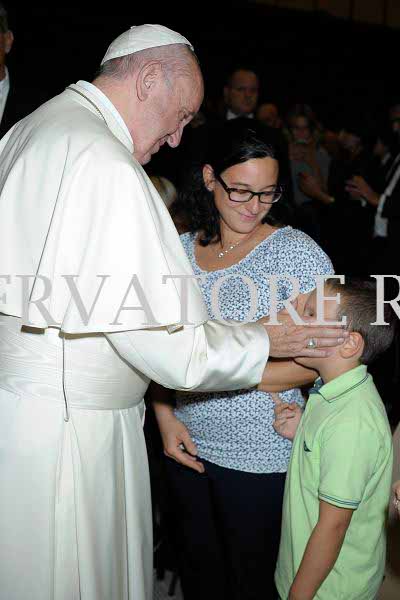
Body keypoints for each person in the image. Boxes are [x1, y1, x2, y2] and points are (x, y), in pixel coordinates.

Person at [0, 24, 345, 600]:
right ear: (148, 79)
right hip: (70, 429)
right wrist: (266, 338)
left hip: (26, 416)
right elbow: (172, 347)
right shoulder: (102, 162)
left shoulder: (28, 132)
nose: (179, 137)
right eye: (180, 114)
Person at [152, 119, 335, 600]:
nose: (253, 207)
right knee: (200, 574)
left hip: (262, 453)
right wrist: (165, 414)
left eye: (267, 194)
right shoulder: (178, 250)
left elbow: (322, 360)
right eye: (240, 191)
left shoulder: (296, 255)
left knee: (251, 583)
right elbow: (156, 344)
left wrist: (228, 377)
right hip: (187, 444)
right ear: (210, 177)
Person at [274, 278, 395, 600]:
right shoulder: (332, 391)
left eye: (310, 314)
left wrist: (299, 595)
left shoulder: (353, 423)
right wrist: (302, 431)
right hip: (305, 573)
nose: (296, 320)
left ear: (349, 345)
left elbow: (333, 526)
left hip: (329, 589)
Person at [286, 104, 331, 242]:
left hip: (312, 216)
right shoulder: (283, 152)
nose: (300, 133)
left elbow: (324, 191)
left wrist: (311, 161)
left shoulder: (320, 153)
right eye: (296, 128)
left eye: (305, 128)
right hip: (287, 214)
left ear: (311, 130)